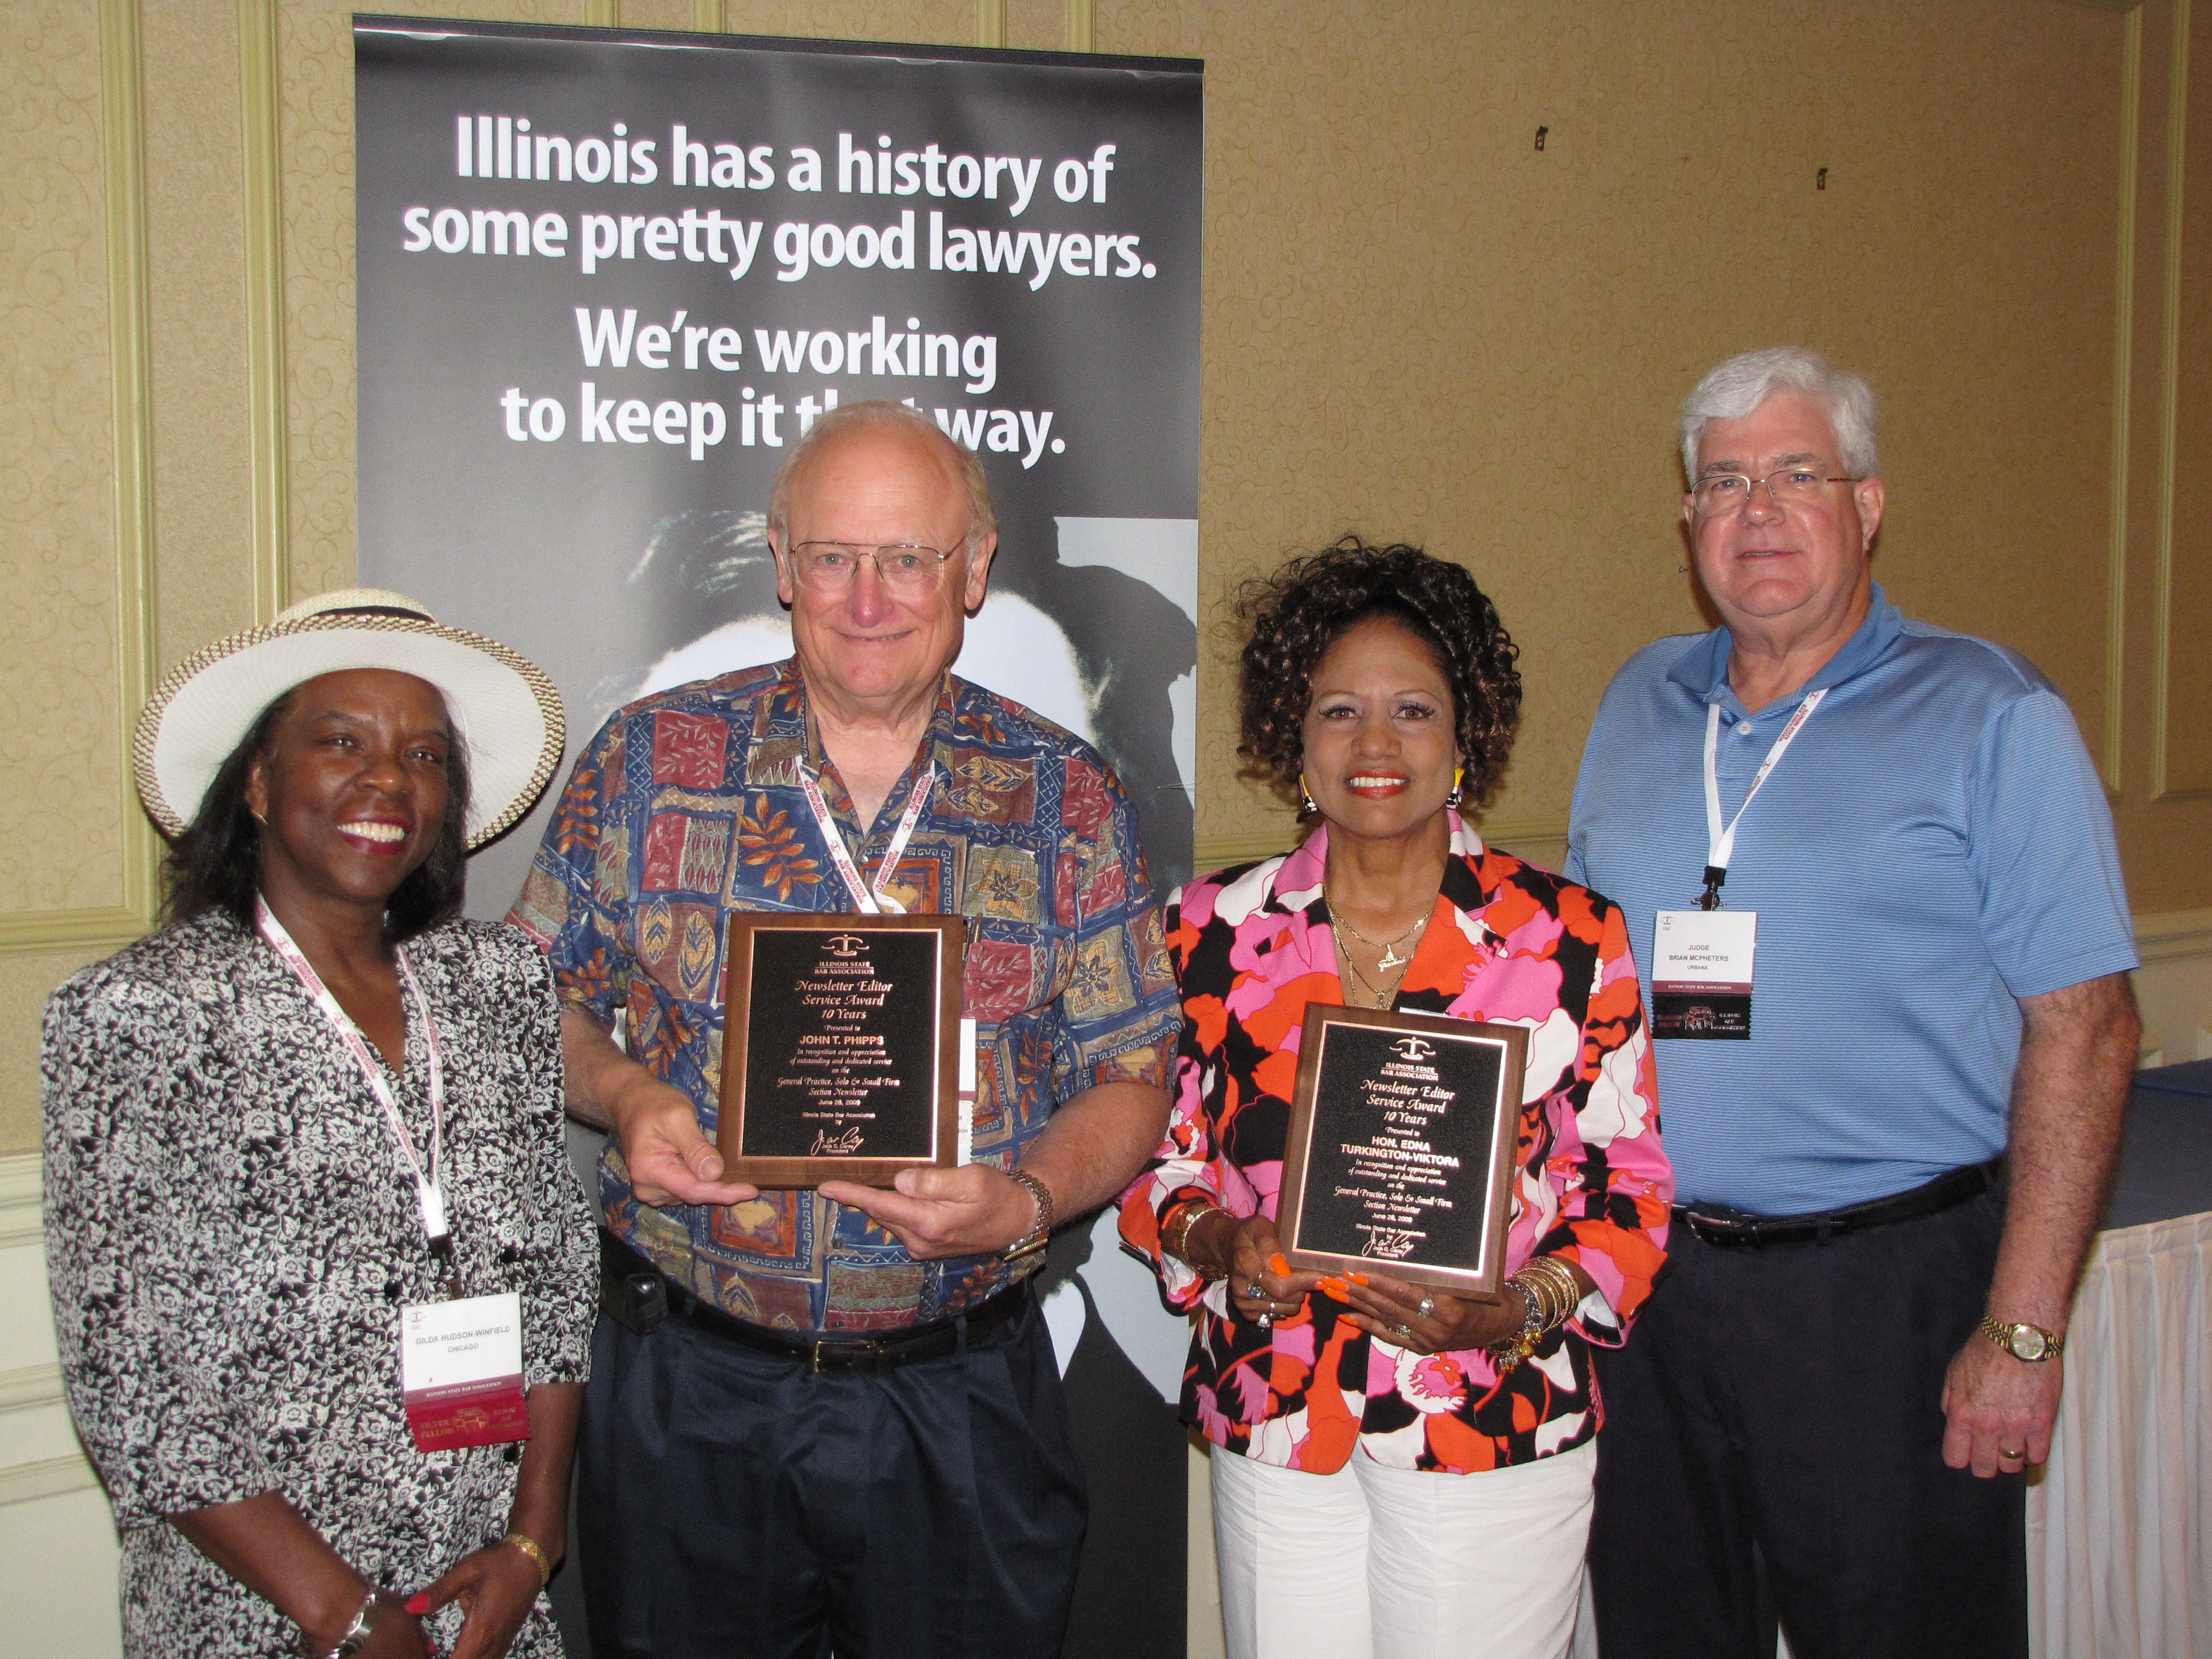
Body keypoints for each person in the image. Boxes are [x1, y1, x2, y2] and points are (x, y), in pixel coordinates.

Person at [506, 400, 1180, 1658]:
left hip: (961, 1401)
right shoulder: (652, 760)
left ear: (972, 568)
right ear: (783, 562)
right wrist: (627, 1095)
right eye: (833, 557)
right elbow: (537, 1000)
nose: (869, 600)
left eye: (908, 558)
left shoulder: (1063, 797)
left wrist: (1030, 1199)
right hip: (693, 1394)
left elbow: (1135, 1069)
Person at [1568, 347, 2143, 1659]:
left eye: (1797, 474)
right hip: (1652, 1294)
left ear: (1869, 505)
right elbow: (1576, 991)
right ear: (1689, 520)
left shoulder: (1992, 712)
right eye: (1725, 482)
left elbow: (2090, 1027)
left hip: (1884, 1296)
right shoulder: (1640, 701)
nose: (1758, 511)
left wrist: (2024, 1334)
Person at [1119, 538, 1674, 1659]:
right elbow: (1153, 1158)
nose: (1375, 746)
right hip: (1278, 1407)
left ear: (1467, 737)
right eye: (1339, 713)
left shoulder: (1568, 938)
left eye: (1413, 711)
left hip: (1493, 1416)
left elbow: (1629, 1189)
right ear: (1295, 737)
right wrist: (1222, 1242)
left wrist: (1515, 1310)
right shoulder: (1206, 932)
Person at [43, 589, 594, 1659]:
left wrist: (533, 1542)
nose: (388, 779)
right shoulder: (144, 1014)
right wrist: (347, 1617)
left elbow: (559, 1280)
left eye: (424, 755)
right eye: (342, 741)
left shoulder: (495, 982)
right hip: (262, 1610)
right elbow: (138, 1385)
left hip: (482, 1589)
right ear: (257, 781)